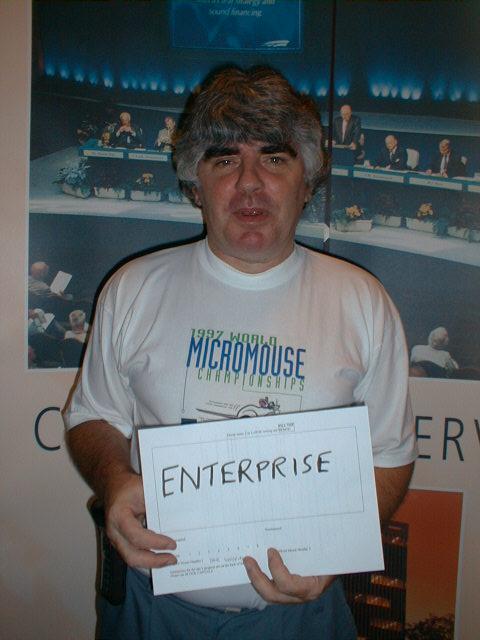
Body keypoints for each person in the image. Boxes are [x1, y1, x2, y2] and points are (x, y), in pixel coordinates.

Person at [64, 66, 417, 640]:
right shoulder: (134, 289)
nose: (250, 183)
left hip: (301, 621)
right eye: (225, 160)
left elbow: (389, 454)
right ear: (194, 184)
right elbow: (91, 416)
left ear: (308, 182)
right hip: (150, 614)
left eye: (274, 158)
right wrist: (114, 480)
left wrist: (336, 549)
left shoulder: (363, 302)